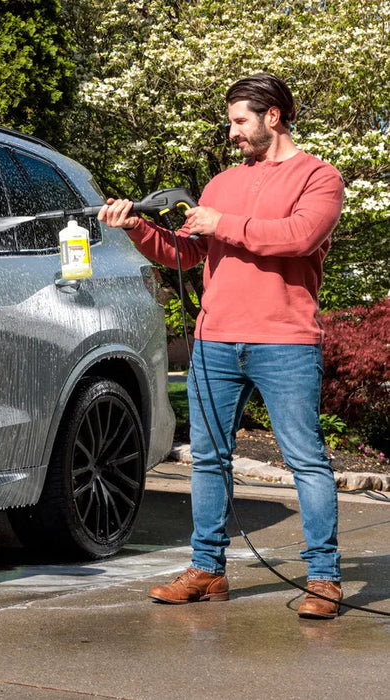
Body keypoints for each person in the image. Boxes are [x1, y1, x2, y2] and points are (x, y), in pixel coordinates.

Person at [98, 73, 346, 618]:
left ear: (273, 117)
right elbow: (186, 254)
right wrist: (136, 227)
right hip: (214, 341)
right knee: (209, 459)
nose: (232, 132)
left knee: (306, 460)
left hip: (285, 340)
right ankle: (207, 570)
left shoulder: (319, 177)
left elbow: (300, 236)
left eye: (239, 121)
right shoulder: (220, 184)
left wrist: (222, 222)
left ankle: (324, 579)